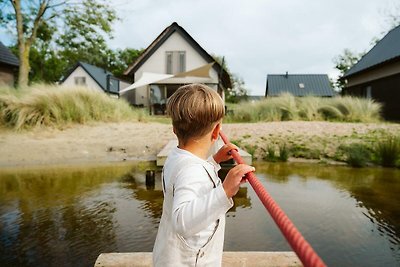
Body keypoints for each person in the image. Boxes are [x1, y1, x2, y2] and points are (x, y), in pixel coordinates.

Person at [153, 84, 255, 266]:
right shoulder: (191, 170)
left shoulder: (176, 157)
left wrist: (214, 162)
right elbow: (182, 221)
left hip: (170, 256)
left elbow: (190, 177)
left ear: (174, 129)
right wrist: (224, 191)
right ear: (216, 132)